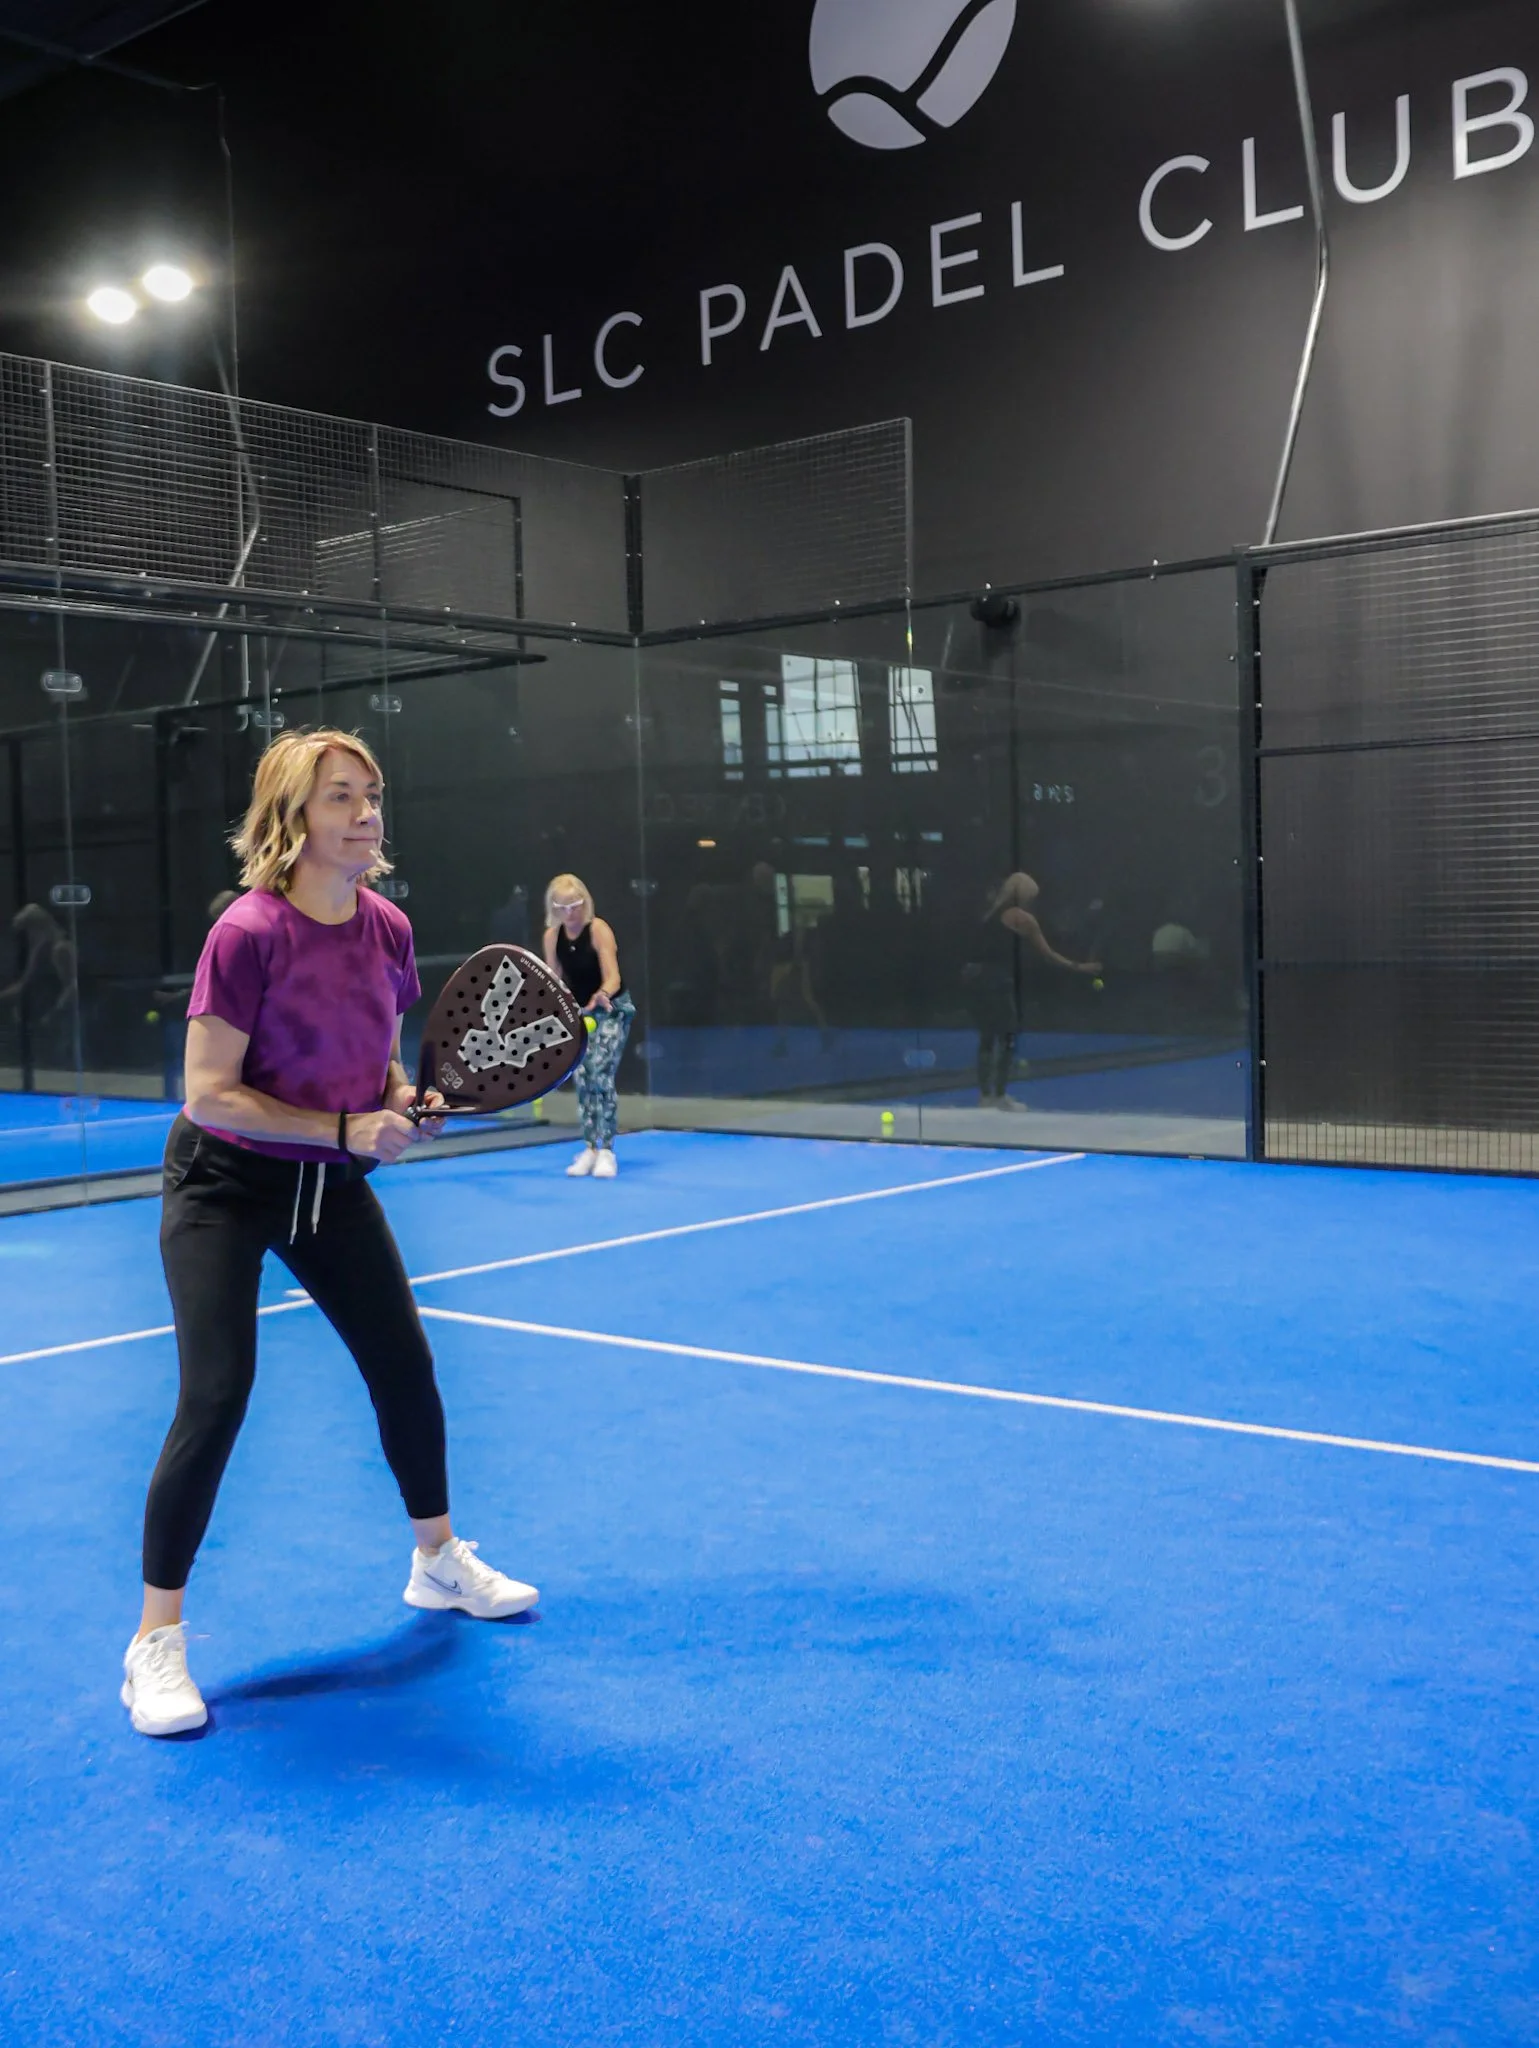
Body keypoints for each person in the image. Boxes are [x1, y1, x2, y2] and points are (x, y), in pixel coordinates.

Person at [122, 728, 537, 1740]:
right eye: (339, 796)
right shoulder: (249, 933)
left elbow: (380, 1066)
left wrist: (405, 1100)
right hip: (222, 1185)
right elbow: (209, 1094)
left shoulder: (387, 928)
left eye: (371, 792)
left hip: (330, 1186)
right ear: (291, 817)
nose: (364, 812)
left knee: (406, 1364)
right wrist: (349, 1128)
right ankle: (155, 1640)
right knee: (216, 1392)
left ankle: (436, 1560)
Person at [962, 872, 1100, 1110]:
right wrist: (1080, 967)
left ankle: (985, 1096)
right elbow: (1048, 955)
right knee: (1007, 1036)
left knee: (987, 1038)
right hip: (997, 982)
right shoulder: (1022, 919)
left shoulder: (989, 915)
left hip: (974, 981)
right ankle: (1000, 1095)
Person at [544, 872, 633, 1178]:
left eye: (576, 905)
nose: (571, 913)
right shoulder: (552, 937)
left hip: (613, 1010)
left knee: (600, 1072)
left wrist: (603, 994)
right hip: (581, 1016)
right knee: (581, 1076)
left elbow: (613, 976)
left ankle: (607, 1149)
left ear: (585, 903)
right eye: (563, 907)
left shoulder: (598, 930)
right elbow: (554, 981)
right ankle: (589, 1148)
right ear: (554, 909)